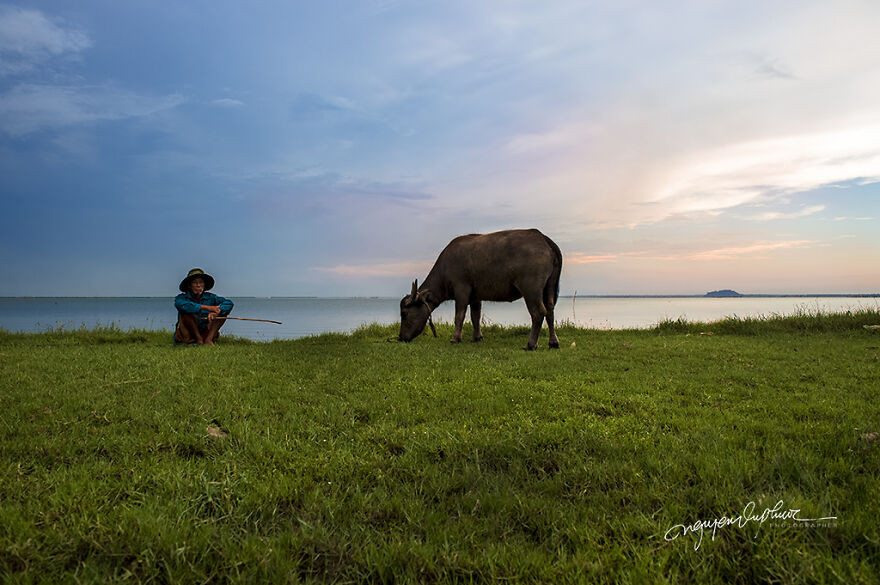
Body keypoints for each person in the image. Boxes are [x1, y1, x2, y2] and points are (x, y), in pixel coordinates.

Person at [174, 268, 234, 345]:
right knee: (186, 313)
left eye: (201, 282)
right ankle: (198, 339)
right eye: (195, 283)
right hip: (187, 332)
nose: (198, 285)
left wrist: (216, 312)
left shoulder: (211, 297)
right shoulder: (182, 298)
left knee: (223, 314)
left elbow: (228, 303)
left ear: (204, 285)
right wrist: (207, 308)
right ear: (189, 285)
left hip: (206, 330)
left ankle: (208, 339)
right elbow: (181, 305)